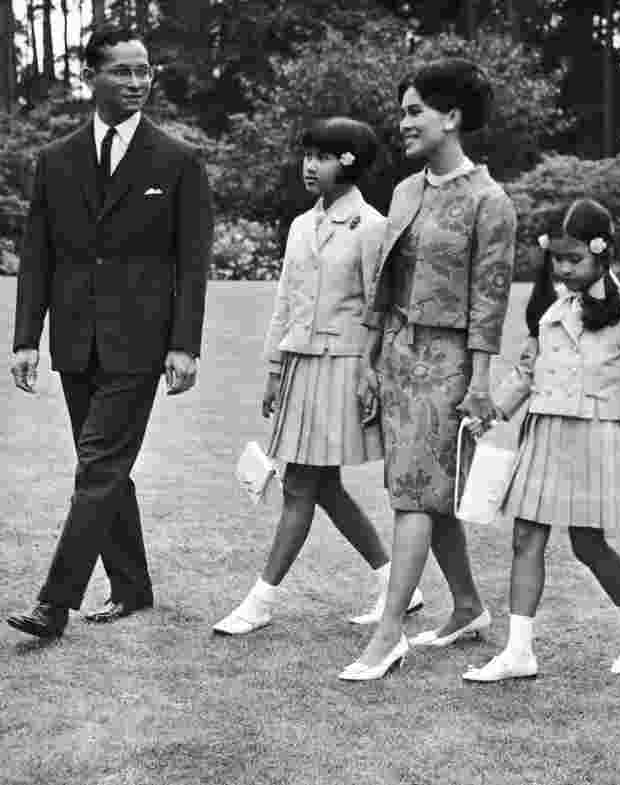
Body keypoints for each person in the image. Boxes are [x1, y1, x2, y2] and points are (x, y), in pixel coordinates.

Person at [6, 25, 213, 637]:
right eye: (122, 71)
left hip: (141, 342)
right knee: (105, 470)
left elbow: (193, 263)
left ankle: (54, 603)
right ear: (91, 76)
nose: (136, 82)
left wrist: (185, 344)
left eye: (144, 70)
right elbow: (37, 255)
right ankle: (132, 587)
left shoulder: (178, 160)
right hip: (74, 339)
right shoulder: (55, 160)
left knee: (97, 466)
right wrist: (26, 339)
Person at [461, 199, 620, 683]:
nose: (565, 268)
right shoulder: (550, 307)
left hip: (594, 435)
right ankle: (519, 652)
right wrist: (492, 414)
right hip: (545, 432)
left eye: (575, 259)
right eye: (559, 258)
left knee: (588, 544)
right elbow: (527, 370)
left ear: (602, 253)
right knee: (526, 537)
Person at [338, 59, 517, 681]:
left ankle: (389, 634)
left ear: (453, 117)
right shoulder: (406, 190)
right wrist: (368, 359)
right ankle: (468, 606)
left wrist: (482, 379)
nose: (404, 122)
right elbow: (383, 283)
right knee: (423, 492)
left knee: (415, 494)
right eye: (404, 110)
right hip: (395, 354)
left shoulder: (491, 203)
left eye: (415, 110)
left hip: (449, 363)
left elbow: (490, 301)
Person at [212, 118, 423, 636]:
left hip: (344, 367)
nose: (310, 165)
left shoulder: (372, 227)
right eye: (307, 154)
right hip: (301, 366)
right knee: (322, 485)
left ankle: (260, 601)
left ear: (348, 163)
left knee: (301, 484)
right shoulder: (301, 225)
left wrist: (373, 372)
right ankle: (400, 583)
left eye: (322, 156)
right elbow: (286, 302)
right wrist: (272, 370)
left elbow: (386, 308)